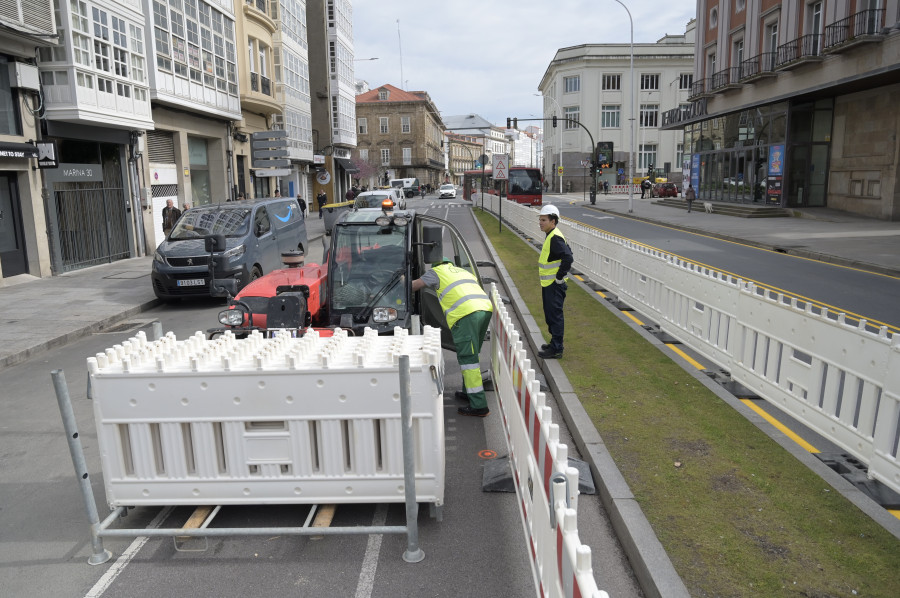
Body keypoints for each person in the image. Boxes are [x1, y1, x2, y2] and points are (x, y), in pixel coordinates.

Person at [412, 260, 493, 417]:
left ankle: (479, 405)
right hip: (484, 309)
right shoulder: (462, 271)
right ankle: (468, 392)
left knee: (468, 359)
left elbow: (415, 286)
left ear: (437, 264)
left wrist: (399, 284)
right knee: (472, 354)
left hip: (466, 314)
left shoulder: (436, 272)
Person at [537, 204, 573, 359]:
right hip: (549, 284)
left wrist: (559, 277)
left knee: (555, 316)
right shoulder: (552, 235)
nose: (540, 222)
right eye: (540, 220)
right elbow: (568, 252)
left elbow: (568, 257)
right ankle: (553, 343)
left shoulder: (555, 237)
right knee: (550, 315)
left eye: (544, 220)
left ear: (553, 221)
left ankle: (557, 348)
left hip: (554, 285)